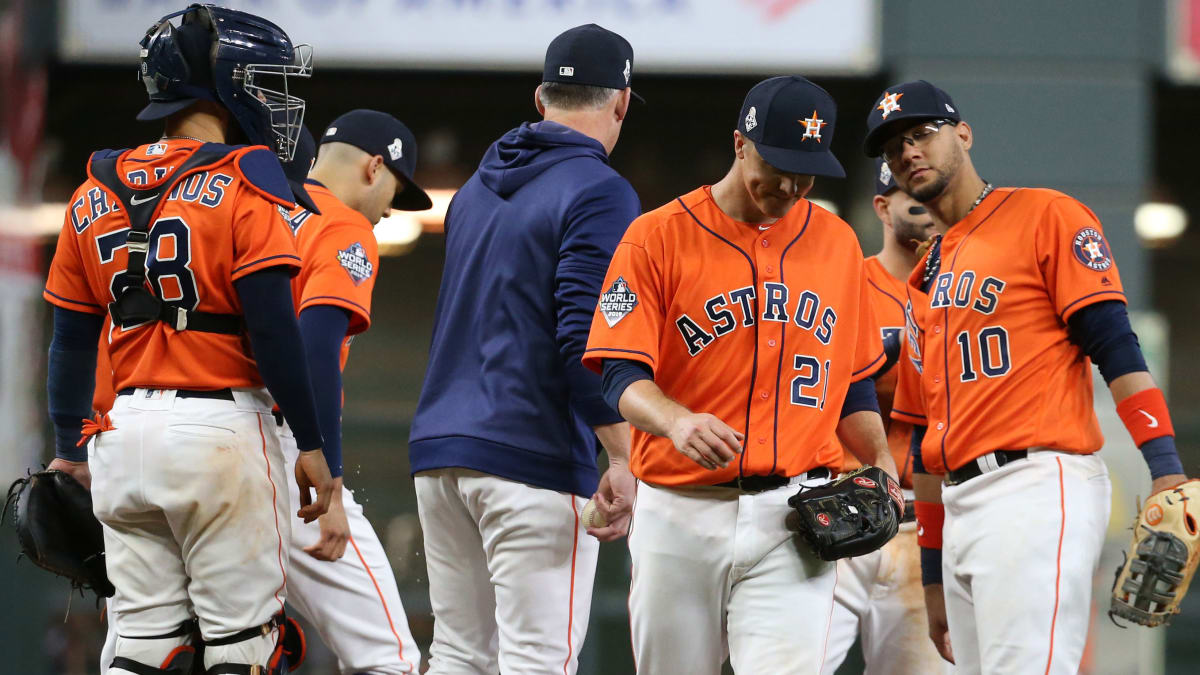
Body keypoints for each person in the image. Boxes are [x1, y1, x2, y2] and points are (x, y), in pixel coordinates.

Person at [42, 5, 336, 674]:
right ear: (223, 83)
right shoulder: (246, 179)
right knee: (242, 645)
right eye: (261, 79)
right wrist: (313, 443)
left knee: (142, 648)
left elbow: (70, 340)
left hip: (120, 440)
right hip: (218, 431)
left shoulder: (92, 189)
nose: (272, 95)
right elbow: (273, 330)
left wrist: (69, 448)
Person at [864, 79, 1189, 674]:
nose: (907, 152)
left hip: (1035, 486)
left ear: (962, 134)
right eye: (892, 148)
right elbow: (925, 442)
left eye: (920, 134)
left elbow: (1115, 348)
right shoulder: (924, 276)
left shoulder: (1044, 214)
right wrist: (932, 576)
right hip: (958, 507)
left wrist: (1166, 468)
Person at [582, 75, 898, 674]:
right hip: (681, 511)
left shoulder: (835, 242)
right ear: (739, 143)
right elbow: (619, 374)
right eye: (777, 164)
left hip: (795, 513)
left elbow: (852, 379)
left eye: (805, 171)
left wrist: (877, 454)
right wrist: (674, 421)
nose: (790, 185)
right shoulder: (656, 237)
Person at [98, 115, 431, 674]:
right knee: (386, 655)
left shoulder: (241, 199)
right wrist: (331, 471)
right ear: (376, 167)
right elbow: (316, 344)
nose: (391, 211)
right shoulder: (343, 225)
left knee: (143, 646)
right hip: (275, 445)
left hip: (148, 429)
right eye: (396, 193)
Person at [407, 24, 640, 674]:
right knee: (537, 661)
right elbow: (583, 334)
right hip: (530, 455)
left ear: (540, 100)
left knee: (458, 655)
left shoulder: (477, 189)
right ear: (620, 102)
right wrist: (621, 451)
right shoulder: (601, 189)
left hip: (441, 452)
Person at [821, 157, 942, 675]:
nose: (928, 208)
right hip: (841, 508)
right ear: (882, 207)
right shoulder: (849, 284)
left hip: (927, 520)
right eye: (912, 198)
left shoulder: (962, 293)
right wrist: (885, 358)